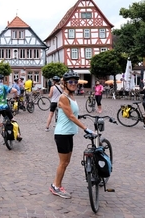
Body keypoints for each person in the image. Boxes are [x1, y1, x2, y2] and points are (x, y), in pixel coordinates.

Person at [50, 70, 94, 199]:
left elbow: (72, 113)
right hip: (62, 134)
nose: (74, 84)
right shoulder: (63, 97)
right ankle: (55, 186)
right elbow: (70, 116)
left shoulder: (71, 96)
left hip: (68, 134)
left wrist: (81, 117)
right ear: (65, 83)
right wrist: (86, 128)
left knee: (66, 162)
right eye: (71, 82)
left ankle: (57, 185)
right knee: (63, 163)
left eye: (76, 81)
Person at [0, 74, 21, 145]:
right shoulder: (4, 87)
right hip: (4, 107)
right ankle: (18, 135)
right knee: (12, 120)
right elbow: (15, 90)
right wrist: (15, 96)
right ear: (1, 80)